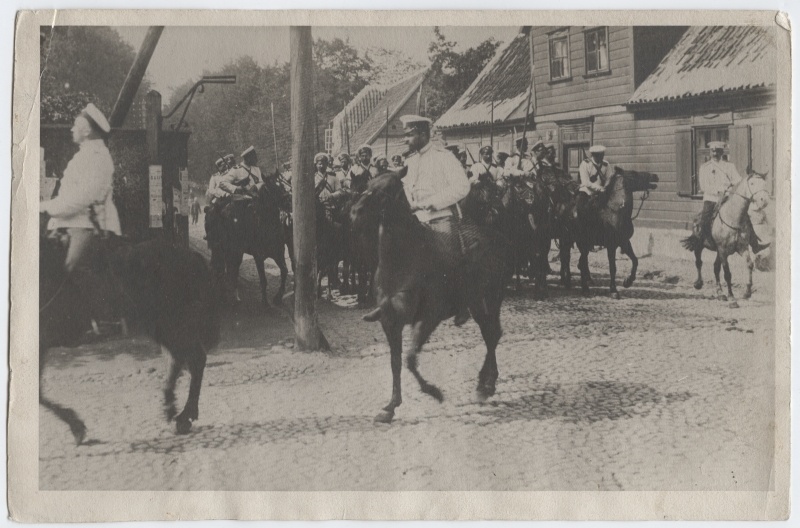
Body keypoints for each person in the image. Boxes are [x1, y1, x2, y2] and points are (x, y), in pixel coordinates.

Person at [362, 115, 471, 326]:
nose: (405, 139)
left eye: (409, 135)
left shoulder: (444, 157)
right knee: (390, 252)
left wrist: (433, 202)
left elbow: (462, 187)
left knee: (449, 257)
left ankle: (461, 304)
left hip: (440, 217)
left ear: (423, 134)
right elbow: (406, 191)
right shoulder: (410, 161)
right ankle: (385, 302)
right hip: (416, 220)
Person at [40, 103, 121, 273]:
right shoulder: (84, 155)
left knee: (70, 274)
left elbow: (81, 200)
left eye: (75, 126)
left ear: (86, 131)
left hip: (90, 227)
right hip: (74, 225)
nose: (71, 130)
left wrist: (46, 207)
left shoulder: (98, 158)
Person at [697, 142, 768, 252]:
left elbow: (738, 180)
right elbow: (703, 186)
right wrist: (718, 191)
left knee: (745, 217)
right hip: (711, 198)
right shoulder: (705, 167)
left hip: (727, 198)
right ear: (710, 152)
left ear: (722, 152)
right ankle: (705, 240)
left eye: (718, 151)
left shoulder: (729, 166)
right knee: (705, 219)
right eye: (713, 151)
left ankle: (755, 245)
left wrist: (730, 188)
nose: (715, 153)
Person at [576, 145, 610, 221]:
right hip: (587, 192)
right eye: (598, 155)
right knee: (581, 207)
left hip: (602, 192)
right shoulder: (585, 164)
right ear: (593, 155)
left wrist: (606, 187)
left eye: (602, 155)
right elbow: (586, 182)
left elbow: (609, 179)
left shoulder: (606, 165)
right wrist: (599, 188)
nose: (601, 158)